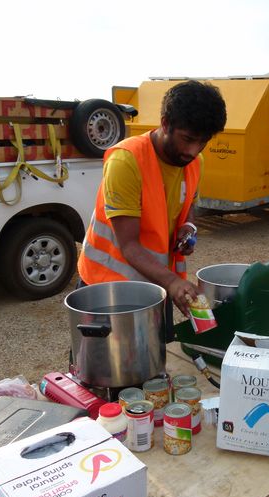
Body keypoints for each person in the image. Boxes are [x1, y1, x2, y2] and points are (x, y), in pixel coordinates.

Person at [77, 80, 227, 319]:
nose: (193, 150)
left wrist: (188, 227)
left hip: (156, 283)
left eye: (203, 142)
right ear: (165, 124)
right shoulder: (126, 161)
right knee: (102, 357)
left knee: (158, 354)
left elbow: (187, 205)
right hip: (108, 290)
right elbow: (129, 245)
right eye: (187, 139)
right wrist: (173, 282)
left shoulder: (195, 163)